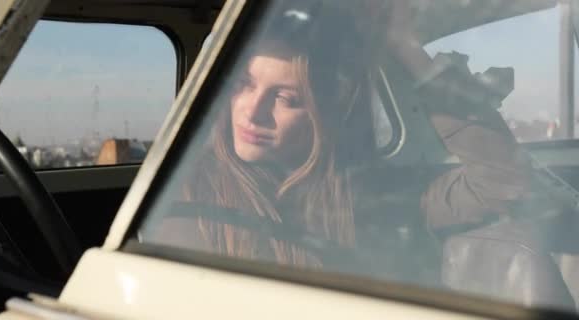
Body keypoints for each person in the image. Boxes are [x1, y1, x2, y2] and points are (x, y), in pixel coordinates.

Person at [148, 0, 538, 287]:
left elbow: (503, 179)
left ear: (324, 117)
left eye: (285, 98)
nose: (252, 112)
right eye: (244, 85)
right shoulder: (189, 198)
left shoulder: (366, 196)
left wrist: (403, 45)